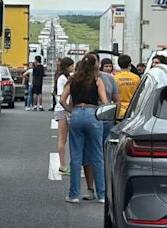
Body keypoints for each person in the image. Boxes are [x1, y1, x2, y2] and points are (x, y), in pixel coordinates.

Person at [60, 53, 108, 203]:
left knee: (75, 156)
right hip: (93, 113)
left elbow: (62, 99)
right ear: (95, 65)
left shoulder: (73, 79)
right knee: (97, 155)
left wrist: (70, 110)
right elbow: (105, 102)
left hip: (76, 116)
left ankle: (74, 195)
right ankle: (101, 195)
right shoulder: (97, 80)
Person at [82, 53, 120, 200]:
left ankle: (104, 189)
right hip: (89, 119)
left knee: (104, 156)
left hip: (106, 121)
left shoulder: (109, 78)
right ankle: (90, 188)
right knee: (88, 155)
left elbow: (117, 99)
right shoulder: (81, 78)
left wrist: (114, 116)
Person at [55, 57, 74, 175]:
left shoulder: (65, 77)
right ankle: (62, 165)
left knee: (65, 138)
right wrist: (67, 109)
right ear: (67, 67)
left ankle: (66, 164)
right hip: (63, 109)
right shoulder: (62, 78)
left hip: (65, 109)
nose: (73, 68)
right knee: (63, 138)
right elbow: (61, 96)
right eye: (71, 66)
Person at [114, 54, 141, 118]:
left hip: (119, 111)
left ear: (118, 64)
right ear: (130, 64)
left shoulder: (115, 78)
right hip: (133, 110)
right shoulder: (136, 78)